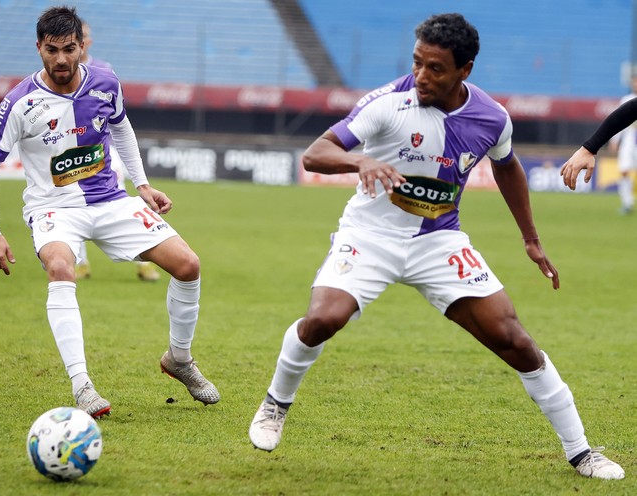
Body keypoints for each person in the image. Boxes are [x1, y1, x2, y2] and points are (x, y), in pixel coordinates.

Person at [248, 13, 624, 480]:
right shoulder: (388, 103)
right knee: (323, 319)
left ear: (465, 70)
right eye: (417, 63)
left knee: (515, 340)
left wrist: (531, 239)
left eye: (436, 69)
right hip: (370, 236)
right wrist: (359, 159)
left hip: (439, 242)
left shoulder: (492, 118)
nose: (421, 77)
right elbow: (315, 153)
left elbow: (507, 167)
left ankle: (582, 451)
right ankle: (275, 404)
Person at [0, 6, 220, 418]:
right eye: (51, 50)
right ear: (38, 48)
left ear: (82, 46)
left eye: (69, 49)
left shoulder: (105, 82)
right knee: (60, 269)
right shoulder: (20, 102)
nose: (61, 60)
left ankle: (179, 358)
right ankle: (82, 384)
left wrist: (141, 185)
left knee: (188, 264)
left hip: (110, 200)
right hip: (54, 209)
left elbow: (121, 127)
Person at [74, 20, 161, 281]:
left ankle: (146, 263)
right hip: (71, 156)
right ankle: (80, 263)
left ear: (87, 42)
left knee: (123, 203)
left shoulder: (104, 70)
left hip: (105, 153)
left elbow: (116, 114)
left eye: (87, 35)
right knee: (71, 206)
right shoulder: (59, 75)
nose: (85, 40)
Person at [561, 90, 637, 194]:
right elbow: (632, 109)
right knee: (624, 171)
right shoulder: (627, 98)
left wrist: (588, 149)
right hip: (629, 144)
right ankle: (627, 203)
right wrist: (589, 148)